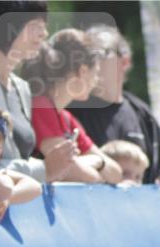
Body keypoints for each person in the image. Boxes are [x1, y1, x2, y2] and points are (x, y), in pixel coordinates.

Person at [0, 0, 77, 182]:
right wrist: (45, 168)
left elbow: (16, 159)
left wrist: (55, 163)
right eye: (35, 26)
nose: (45, 34)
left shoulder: (21, 88)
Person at [69, 25, 160, 185]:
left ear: (124, 61)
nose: (89, 61)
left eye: (99, 53)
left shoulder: (143, 114)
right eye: (84, 55)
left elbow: (158, 172)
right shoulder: (69, 111)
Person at [24, 29, 123, 184]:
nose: (96, 81)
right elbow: (70, 171)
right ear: (82, 71)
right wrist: (96, 164)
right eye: (96, 73)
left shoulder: (67, 118)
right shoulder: (40, 106)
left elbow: (116, 172)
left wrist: (96, 161)